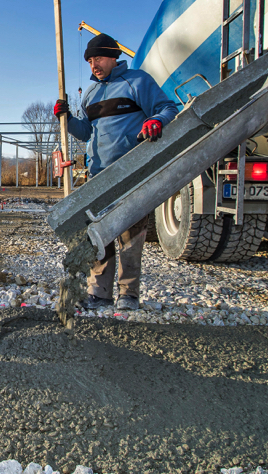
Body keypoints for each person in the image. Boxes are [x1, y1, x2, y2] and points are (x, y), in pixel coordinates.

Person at [54, 33, 178, 311]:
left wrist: (156, 120)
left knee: (131, 238)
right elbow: (85, 132)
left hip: (132, 172)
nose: (93, 65)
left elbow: (168, 107)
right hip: (99, 177)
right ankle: (99, 293)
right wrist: (67, 118)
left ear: (113, 56)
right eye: (89, 60)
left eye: (97, 58)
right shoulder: (90, 93)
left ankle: (129, 294)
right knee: (99, 236)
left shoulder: (137, 81)